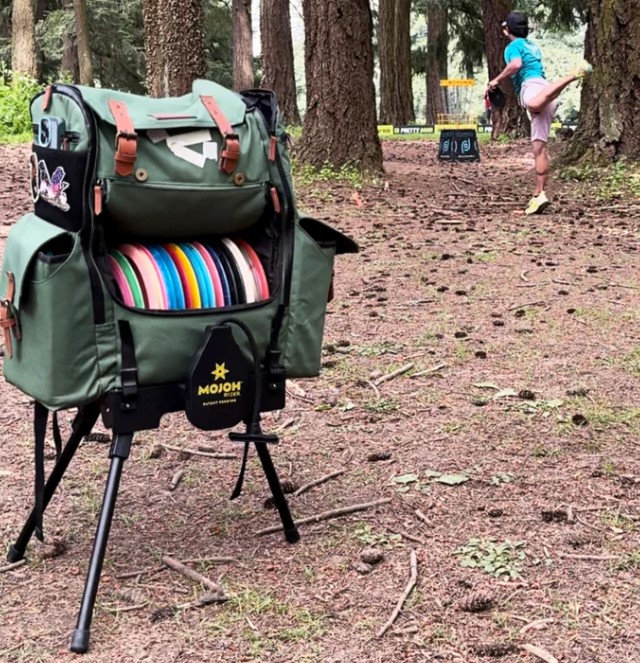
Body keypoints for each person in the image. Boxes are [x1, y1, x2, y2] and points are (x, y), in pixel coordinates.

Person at [486, 11, 592, 215]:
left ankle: (572, 75)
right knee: (538, 148)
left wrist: (496, 80)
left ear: (507, 30)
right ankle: (539, 195)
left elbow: (516, 65)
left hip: (533, 88)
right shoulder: (532, 46)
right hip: (545, 89)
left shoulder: (513, 47)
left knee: (533, 104)